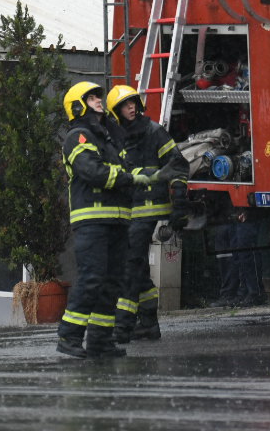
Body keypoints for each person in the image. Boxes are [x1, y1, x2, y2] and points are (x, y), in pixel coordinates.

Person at [56, 81, 155, 359]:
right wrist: (128, 179)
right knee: (92, 278)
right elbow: (93, 171)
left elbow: (123, 168)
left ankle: (100, 340)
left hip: (118, 220)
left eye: (98, 97)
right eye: (91, 98)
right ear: (78, 105)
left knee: (112, 282)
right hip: (92, 220)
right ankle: (69, 336)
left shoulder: (109, 137)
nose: (99, 100)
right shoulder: (78, 136)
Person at [106, 84, 185, 342]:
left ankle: (123, 326)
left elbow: (177, 164)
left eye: (133, 103)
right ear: (115, 111)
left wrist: (180, 200)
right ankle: (149, 323)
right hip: (126, 212)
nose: (131, 108)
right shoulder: (113, 137)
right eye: (125, 105)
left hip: (149, 211)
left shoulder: (153, 131)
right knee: (137, 267)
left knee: (130, 265)